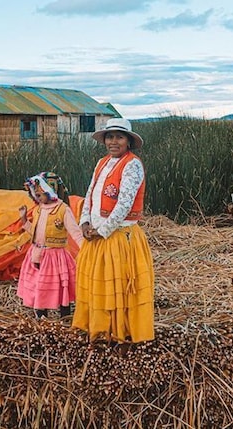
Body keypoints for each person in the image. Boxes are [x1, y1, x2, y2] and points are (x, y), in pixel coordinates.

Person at [74, 118, 154, 343]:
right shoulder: (102, 163)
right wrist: (85, 222)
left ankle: (120, 331)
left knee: (119, 286)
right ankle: (99, 328)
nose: (113, 141)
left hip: (119, 236)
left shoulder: (132, 165)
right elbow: (90, 193)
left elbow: (125, 203)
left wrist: (103, 229)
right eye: (110, 137)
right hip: (96, 235)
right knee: (98, 283)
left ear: (128, 141)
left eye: (119, 137)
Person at [16, 172, 83, 319]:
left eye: (40, 194)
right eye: (36, 195)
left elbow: (75, 232)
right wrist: (24, 220)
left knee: (59, 286)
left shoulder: (62, 210)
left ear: (50, 191)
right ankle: (42, 317)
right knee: (40, 286)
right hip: (37, 255)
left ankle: (64, 317)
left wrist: (86, 250)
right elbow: (35, 231)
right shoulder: (39, 209)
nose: (37, 198)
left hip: (55, 257)